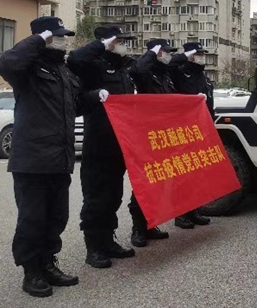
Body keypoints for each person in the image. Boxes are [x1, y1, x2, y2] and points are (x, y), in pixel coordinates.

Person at [0, 17, 103, 297]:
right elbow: (7, 63)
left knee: (56, 217)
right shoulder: (28, 68)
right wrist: (37, 40)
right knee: (32, 219)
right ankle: (31, 271)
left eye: (63, 35)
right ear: (43, 36)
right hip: (32, 160)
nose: (63, 40)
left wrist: (95, 96)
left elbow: (75, 106)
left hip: (60, 158)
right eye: (57, 35)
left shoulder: (64, 71)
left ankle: (48, 263)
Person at [67, 26, 159, 268]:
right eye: (119, 41)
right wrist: (101, 45)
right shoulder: (92, 65)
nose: (123, 44)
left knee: (113, 196)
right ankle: (94, 247)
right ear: (106, 41)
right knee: (96, 198)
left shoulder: (124, 68)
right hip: (99, 142)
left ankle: (108, 241)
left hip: (121, 142)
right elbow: (75, 60)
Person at [128, 39, 190, 246]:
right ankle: (138, 228)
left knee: (161, 184)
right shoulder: (146, 73)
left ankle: (150, 225)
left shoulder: (166, 75)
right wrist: (152, 53)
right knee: (145, 183)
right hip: (148, 138)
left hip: (165, 137)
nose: (169, 55)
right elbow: (138, 70)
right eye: (165, 51)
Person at [169, 42, 214, 229]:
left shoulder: (202, 75)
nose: (202, 57)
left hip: (201, 128)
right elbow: (170, 63)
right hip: (184, 130)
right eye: (198, 54)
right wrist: (184, 57)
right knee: (183, 175)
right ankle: (181, 214)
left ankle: (194, 210)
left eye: (203, 54)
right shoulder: (179, 71)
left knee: (197, 174)